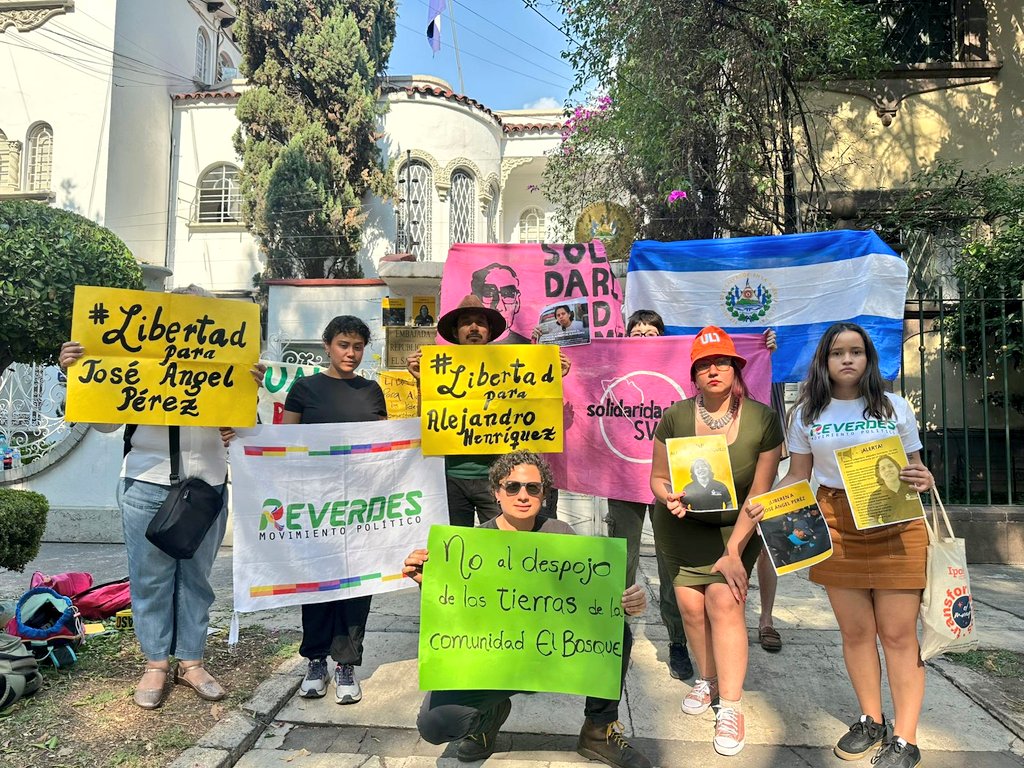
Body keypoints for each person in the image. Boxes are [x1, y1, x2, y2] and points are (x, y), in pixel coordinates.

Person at [404, 451, 652, 768]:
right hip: (491, 662)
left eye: (533, 488)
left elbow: (591, 605)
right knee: (436, 724)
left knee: (618, 632)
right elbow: (453, 610)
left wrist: (627, 603)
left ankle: (598, 731)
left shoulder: (562, 535)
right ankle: (486, 719)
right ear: (496, 492)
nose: (523, 495)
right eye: (513, 487)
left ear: (544, 494)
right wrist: (428, 582)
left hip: (549, 656)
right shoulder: (470, 543)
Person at [58, 284, 234, 710]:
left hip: (208, 485)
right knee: (149, 578)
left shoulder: (225, 367)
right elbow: (100, 424)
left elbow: (246, 429)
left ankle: (191, 661)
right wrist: (78, 375)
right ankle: (156, 664)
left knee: (197, 579)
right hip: (146, 481)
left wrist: (250, 392)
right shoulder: (135, 366)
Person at [767, 322, 933, 768]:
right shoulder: (806, 414)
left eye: (855, 351)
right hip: (835, 523)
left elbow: (915, 467)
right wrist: (766, 505)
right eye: (837, 352)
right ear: (823, 361)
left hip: (894, 523)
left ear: (867, 359)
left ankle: (905, 738)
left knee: (898, 636)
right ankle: (871, 719)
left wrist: (924, 477)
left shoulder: (894, 407)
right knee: (856, 633)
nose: (846, 359)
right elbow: (798, 476)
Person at [649, 326, 783, 756]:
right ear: (693, 373)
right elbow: (657, 476)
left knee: (724, 605)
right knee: (691, 609)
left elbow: (761, 493)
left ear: (736, 368)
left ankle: (731, 705)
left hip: (738, 529)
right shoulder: (674, 416)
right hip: (682, 528)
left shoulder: (762, 418)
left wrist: (733, 552)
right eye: (704, 364)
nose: (713, 370)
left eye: (721, 362)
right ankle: (706, 681)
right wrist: (665, 495)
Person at [281, 316, 387, 705]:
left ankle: (346, 664)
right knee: (318, 582)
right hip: (315, 505)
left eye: (358, 346)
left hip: (361, 507)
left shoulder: (373, 391)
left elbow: (386, 448)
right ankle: (315, 660)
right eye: (343, 344)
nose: (351, 353)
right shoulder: (304, 389)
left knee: (356, 585)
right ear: (327, 345)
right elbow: (283, 444)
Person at [407, 295, 568, 526]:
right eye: (466, 322)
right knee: (454, 547)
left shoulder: (513, 366)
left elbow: (533, 408)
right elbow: (425, 422)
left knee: (501, 546)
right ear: (455, 332)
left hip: (499, 479)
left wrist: (552, 376)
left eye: (480, 322)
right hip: (450, 478)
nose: (473, 328)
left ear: (489, 331)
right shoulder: (437, 368)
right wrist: (422, 382)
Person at [604, 310, 691, 681]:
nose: (643, 336)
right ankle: (613, 633)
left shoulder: (681, 373)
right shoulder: (614, 370)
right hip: (622, 480)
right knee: (620, 560)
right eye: (635, 331)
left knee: (672, 566)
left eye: (651, 331)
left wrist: (762, 349)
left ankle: (678, 641)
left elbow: (726, 374)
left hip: (669, 485)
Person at [470, 262, 531, 343]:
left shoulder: (528, 348)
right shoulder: (460, 348)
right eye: (489, 293)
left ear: (517, 302)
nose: (499, 307)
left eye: (508, 294)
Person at [866, 455, 921, 526]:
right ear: (879, 474)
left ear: (897, 468)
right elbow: (872, 520)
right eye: (883, 468)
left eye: (890, 466)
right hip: (891, 533)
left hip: (915, 529)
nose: (888, 470)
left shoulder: (912, 486)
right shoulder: (876, 495)